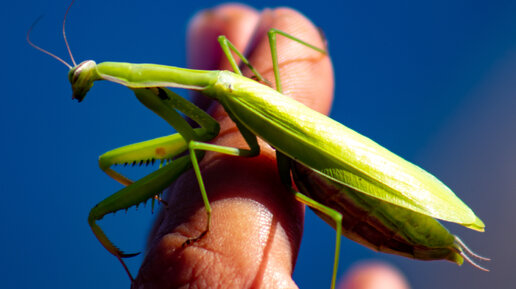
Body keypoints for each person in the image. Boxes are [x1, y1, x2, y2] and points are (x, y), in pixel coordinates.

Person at [132, 4, 409, 289]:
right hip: (307, 155)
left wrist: (207, 222)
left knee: (337, 217)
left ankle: (209, 219)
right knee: (271, 33)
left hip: (342, 173)